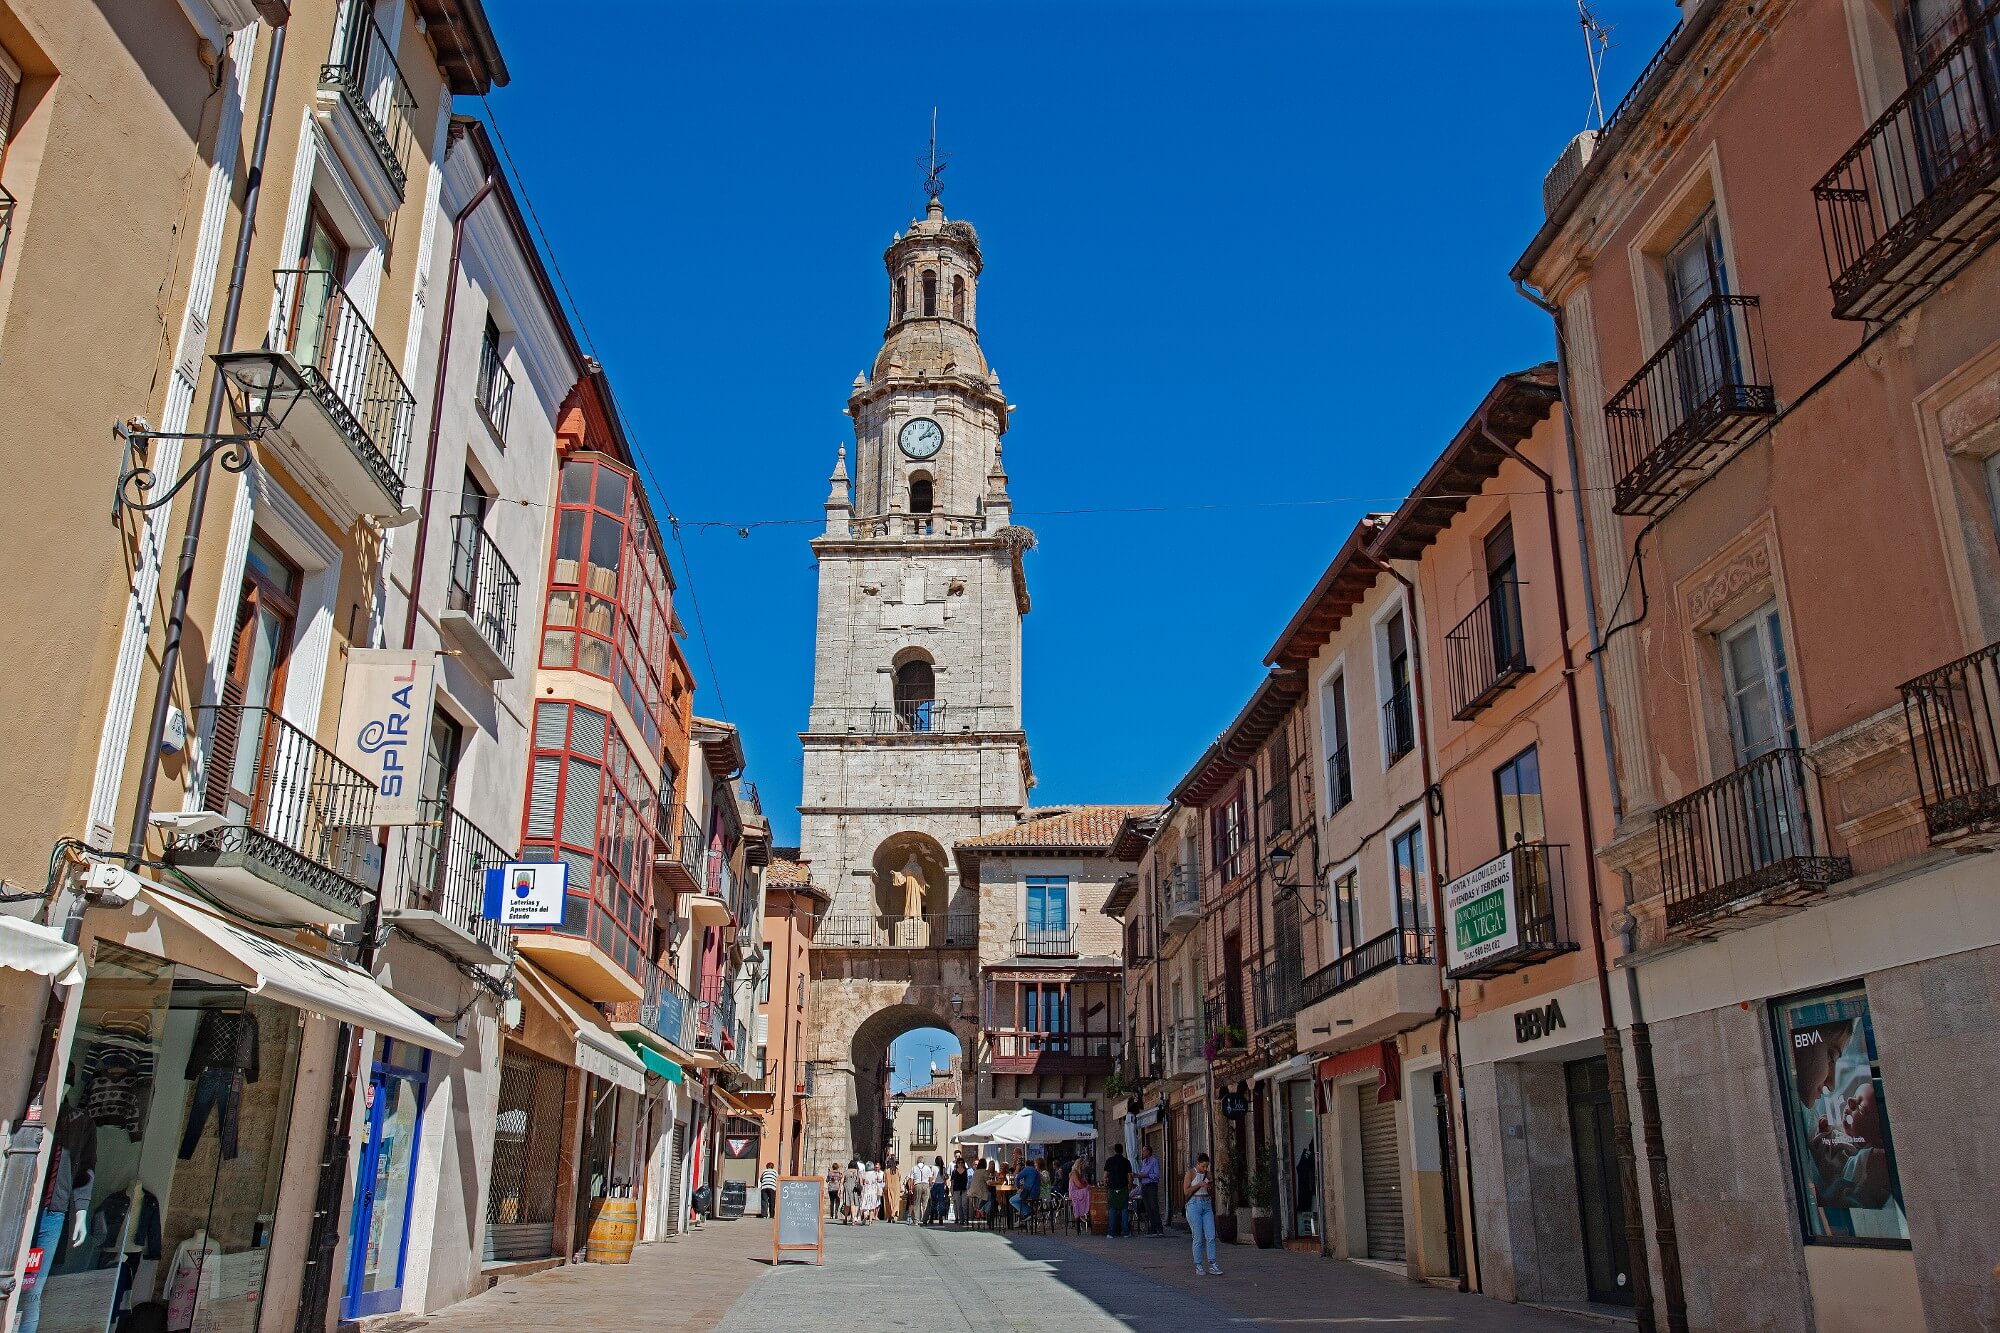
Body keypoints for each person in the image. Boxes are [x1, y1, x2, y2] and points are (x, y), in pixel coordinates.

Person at [1186, 1153, 1220, 1276]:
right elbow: (1186, 1191)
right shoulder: (1190, 1173)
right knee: (1198, 1236)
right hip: (1194, 1205)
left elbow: (1211, 1188)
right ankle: (1198, 1265)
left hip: (1206, 1204)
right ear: (1198, 1163)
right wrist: (1198, 1185)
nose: (1205, 1169)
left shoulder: (1208, 1174)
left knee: (1210, 1235)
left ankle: (1212, 1263)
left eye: (1207, 1166)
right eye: (1203, 1166)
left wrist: (1209, 1187)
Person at [1104, 1144, 1132, 1238]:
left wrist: (1105, 1183)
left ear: (1115, 1150)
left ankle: (1111, 1232)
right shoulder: (1126, 1161)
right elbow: (1129, 1176)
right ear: (1122, 1150)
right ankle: (1125, 1232)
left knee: (1112, 1209)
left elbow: (1105, 1176)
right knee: (1124, 1209)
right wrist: (1130, 1186)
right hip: (1123, 1188)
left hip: (1112, 1188)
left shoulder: (1109, 1161)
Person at [1136, 1143, 1163, 1235]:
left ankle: (1160, 1228)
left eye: (1144, 1150)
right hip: (1144, 1186)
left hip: (1151, 1186)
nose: (1142, 1152)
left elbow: (1156, 1175)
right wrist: (1138, 1175)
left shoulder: (1154, 1161)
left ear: (1148, 1151)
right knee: (1147, 1208)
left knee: (1154, 1207)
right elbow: (1142, 1172)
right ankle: (1152, 1228)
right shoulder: (1144, 1162)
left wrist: (1146, 1175)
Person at [1011, 1157, 1041, 1221]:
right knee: (1022, 1201)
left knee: (1012, 1200)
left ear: (1026, 1165)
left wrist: (1018, 1188)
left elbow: (1018, 1177)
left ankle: (1028, 1212)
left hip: (1029, 1194)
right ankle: (1027, 1212)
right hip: (1037, 1194)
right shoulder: (1036, 1171)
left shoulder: (1027, 1169)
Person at [1068, 1160, 1092, 1232]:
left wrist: (1087, 1185)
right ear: (1080, 1165)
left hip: (1079, 1190)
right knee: (1087, 1191)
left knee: (1089, 1191)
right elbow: (1079, 1185)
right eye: (1083, 1165)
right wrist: (1086, 1186)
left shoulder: (1081, 1173)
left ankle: (1086, 1212)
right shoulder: (1074, 1173)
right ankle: (1083, 1212)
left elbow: (1085, 1184)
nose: (1084, 1167)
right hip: (1074, 1192)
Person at [950, 1153, 970, 1226]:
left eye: (962, 1162)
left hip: (964, 1189)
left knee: (964, 1205)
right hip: (956, 1190)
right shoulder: (954, 1171)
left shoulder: (966, 1171)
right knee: (958, 1205)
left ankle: (966, 1218)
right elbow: (952, 1181)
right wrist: (951, 1190)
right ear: (957, 1163)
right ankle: (961, 1219)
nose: (960, 1164)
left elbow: (968, 1180)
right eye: (959, 1162)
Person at [842, 1158, 862, 1224]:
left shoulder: (846, 1172)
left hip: (847, 1188)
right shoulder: (858, 1172)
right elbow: (861, 1181)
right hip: (855, 1189)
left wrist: (840, 1189)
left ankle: (845, 1218)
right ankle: (853, 1218)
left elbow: (842, 1181)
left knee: (847, 1204)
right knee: (854, 1204)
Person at [883, 1157, 902, 1223]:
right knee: (896, 1202)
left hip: (888, 1187)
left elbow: (884, 1179)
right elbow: (899, 1178)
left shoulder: (886, 1171)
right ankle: (894, 1214)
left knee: (888, 1201)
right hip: (896, 1187)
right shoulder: (897, 1171)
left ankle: (890, 1216)